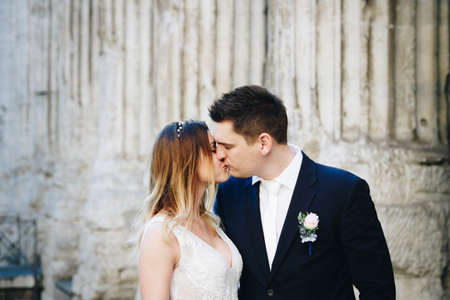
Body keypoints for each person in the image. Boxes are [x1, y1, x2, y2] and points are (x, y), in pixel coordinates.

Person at [208, 85, 395, 300]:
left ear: (263, 143)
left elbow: (378, 288)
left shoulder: (343, 192)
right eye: (217, 146)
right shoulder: (228, 193)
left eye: (227, 147)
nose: (219, 155)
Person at [137, 120, 242, 300]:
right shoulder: (161, 233)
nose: (222, 155)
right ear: (187, 159)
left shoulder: (210, 222)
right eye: (213, 149)